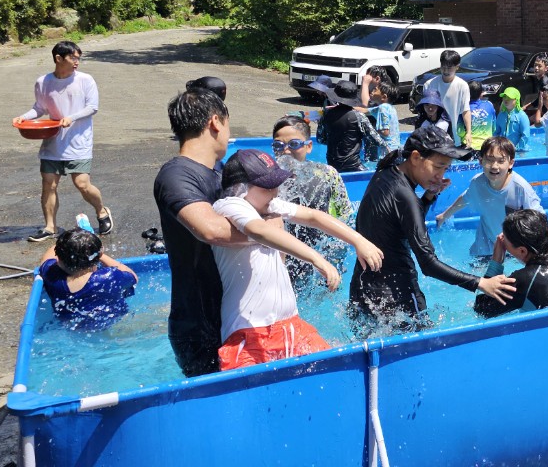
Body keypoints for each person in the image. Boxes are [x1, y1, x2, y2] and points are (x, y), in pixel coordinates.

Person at [212, 149, 384, 370]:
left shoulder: (267, 206)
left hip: (291, 325)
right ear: (241, 188)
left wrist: (359, 240)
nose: (275, 192)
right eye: (267, 186)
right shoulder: (230, 205)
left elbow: (314, 216)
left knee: (336, 372)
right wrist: (316, 258)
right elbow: (259, 231)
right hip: (248, 334)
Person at [349, 126, 516, 332]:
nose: (440, 175)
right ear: (417, 157)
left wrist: (428, 196)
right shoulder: (405, 195)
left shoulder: (386, 173)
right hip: (396, 298)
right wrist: (481, 283)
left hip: (363, 288)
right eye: (438, 166)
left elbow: (401, 222)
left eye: (445, 169)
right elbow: (428, 264)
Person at [155, 87, 255, 377]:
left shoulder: (218, 169)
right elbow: (210, 230)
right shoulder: (176, 175)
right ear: (215, 122)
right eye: (227, 124)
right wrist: (270, 232)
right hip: (198, 325)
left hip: (229, 314)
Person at [14, 41, 113, 242]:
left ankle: (101, 211)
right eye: (73, 58)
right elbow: (40, 108)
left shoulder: (86, 80)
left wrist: (72, 117)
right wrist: (24, 117)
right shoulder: (43, 82)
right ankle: (50, 227)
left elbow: (92, 107)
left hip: (78, 141)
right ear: (59, 58)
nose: (77, 62)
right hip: (52, 142)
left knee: (82, 184)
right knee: (48, 184)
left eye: (78, 58)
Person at [270, 115, 357, 278]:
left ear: (309, 146)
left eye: (294, 144)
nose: (285, 151)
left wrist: (337, 255)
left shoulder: (327, 174)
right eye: (278, 145)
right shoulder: (267, 180)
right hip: (284, 254)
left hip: (320, 252)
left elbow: (344, 214)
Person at [435, 137, 544, 258]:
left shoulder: (520, 188)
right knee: (477, 274)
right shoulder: (478, 182)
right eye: (489, 160)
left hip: (514, 247)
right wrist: (444, 215)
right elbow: (466, 198)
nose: (494, 166)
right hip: (485, 242)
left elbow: (539, 219)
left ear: (511, 163)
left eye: (501, 161)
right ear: (480, 161)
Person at [36, 228, 137, 331]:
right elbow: (133, 277)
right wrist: (100, 255)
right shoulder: (109, 277)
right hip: (117, 325)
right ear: (96, 257)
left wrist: (70, 240)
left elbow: (49, 255)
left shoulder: (50, 274)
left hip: (71, 329)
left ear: (58, 256)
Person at [315, 79, 391, 174]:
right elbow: (375, 140)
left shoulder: (326, 114)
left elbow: (320, 139)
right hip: (353, 165)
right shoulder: (359, 116)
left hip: (332, 164)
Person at [424, 50, 472, 146]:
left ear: (457, 67)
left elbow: (465, 110)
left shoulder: (462, 86)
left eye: (449, 67)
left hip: (454, 134)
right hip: (433, 134)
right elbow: (424, 110)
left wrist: (469, 132)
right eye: (443, 67)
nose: (445, 71)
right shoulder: (429, 84)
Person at [366, 81, 400, 164]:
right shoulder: (390, 108)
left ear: (384, 97)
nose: (372, 91)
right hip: (395, 149)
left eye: (375, 90)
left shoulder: (382, 108)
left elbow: (385, 132)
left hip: (387, 152)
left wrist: (370, 130)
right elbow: (365, 110)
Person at [493, 86, 531, 152]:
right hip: (505, 150)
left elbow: (525, 135)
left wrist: (517, 148)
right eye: (504, 97)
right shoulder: (501, 115)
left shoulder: (522, 115)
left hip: (520, 151)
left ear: (516, 100)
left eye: (509, 98)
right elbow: (496, 132)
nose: (506, 99)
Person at [461, 80, 496, 151]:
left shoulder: (464, 108)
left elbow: (460, 131)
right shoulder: (489, 105)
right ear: (481, 94)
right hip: (487, 145)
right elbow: (494, 127)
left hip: (468, 145)